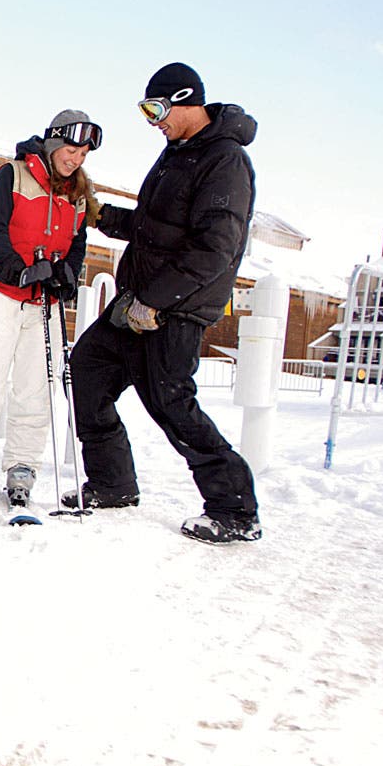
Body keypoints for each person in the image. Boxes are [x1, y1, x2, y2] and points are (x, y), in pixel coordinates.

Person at [66, 62, 261, 544]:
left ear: (185, 98)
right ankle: (113, 485)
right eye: (146, 111)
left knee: (173, 405)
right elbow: (156, 226)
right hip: (136, 303)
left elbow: (215, 247)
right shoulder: (177, 153)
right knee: (87, 371)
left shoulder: (224, 159)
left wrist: (154, 301)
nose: (153, 120)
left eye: (156, 109)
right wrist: (102, 216)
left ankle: (234, 509)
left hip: (173, 309)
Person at [0, 110, 101, 516]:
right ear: (53, 142)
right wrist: (18, 269)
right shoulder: (12, 175)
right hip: (1, 290)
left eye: (84, 151)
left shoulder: (79, 193)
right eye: (71, 148)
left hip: (44, 300)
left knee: (36, 387)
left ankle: (22, 467)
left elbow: (78, 245)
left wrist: (66, 274)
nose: (77, 157)